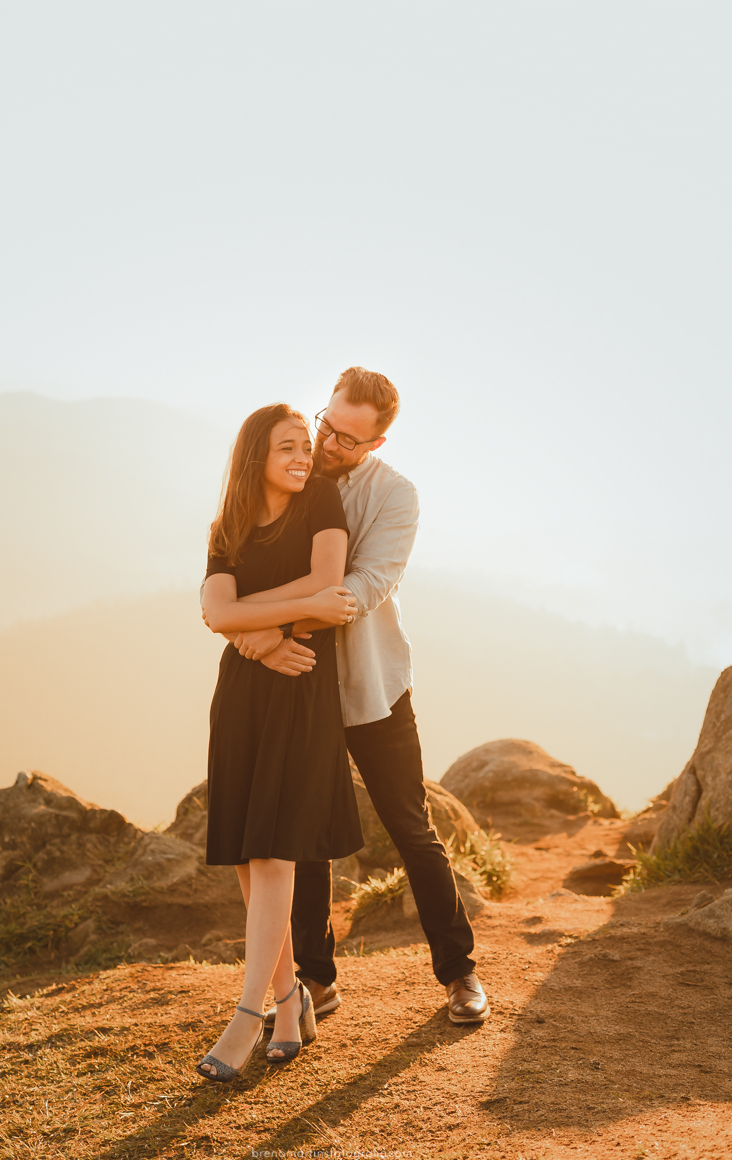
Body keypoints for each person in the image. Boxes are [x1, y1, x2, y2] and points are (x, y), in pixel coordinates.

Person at [228, 368, 490, 1026]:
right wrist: (252, 637)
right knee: (304, 838)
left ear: (375, 443)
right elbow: (243, 576)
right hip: (298, 687)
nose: (327, 443)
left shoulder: (394, 495)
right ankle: (317, 981)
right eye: (326, 424)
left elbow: (359, 592)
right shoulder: (290, 481)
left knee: (411, 828)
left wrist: (255, 631)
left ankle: (459, 974)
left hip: (373, 688)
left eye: (346, 438)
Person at [198, 403, 364, 1083]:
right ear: (254, 458)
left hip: (300, 690)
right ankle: (291, 1000)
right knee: (246, 854)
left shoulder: (321, 498)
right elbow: (214, 612)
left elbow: (331, 584)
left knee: (273, 851)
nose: (304, 457)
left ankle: (248, 1014)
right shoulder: (228, 524)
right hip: (243, 692)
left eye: (306, 445)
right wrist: (264, 636)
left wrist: (257, 626)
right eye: (287, 448)